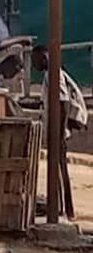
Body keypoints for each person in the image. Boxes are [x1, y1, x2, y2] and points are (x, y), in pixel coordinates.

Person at [33, 45, 88, 220]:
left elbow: (63, 102)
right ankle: (66, 208)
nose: (34, 64)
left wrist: (60, 131)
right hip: (58, 129)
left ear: (44, 58)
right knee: (60, 169)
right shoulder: (53, 73)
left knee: (58, 169)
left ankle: (61, 208)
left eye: (35, 60)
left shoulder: (52, 74)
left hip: (58, 131)